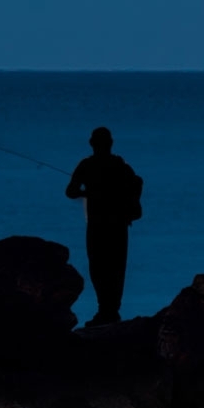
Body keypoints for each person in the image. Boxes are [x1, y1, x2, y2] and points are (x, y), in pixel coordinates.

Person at [65, 127, 143, 327]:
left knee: (98, 267)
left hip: (98, 225)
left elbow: (70, 192)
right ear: (110, 144)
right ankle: (111, 310)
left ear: (92, 144)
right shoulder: (119, 165)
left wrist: (86, 193)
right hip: (118, 225)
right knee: (116, 267)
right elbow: (137, 183)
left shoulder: (86, 165)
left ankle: (105, 310)